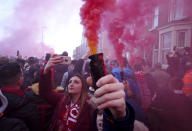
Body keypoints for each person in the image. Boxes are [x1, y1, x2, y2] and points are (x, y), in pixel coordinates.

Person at [39, 54, 135, 131]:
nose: (71, 84)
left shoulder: (90, 104)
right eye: (70, 82)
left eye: (76, 82)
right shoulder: (62, 98)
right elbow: (45, 92)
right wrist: (46, 70)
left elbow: (106, 124)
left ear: (83, 87)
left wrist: (119, 116)